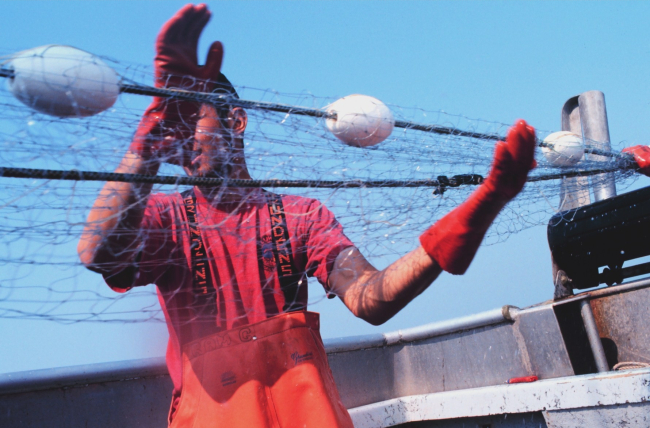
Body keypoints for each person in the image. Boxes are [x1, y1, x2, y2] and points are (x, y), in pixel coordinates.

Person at [77, 4, 537, 428]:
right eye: (168, 125)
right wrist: (145, 146)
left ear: (236, 120)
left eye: (190, 118)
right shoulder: (164, 219)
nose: (180, 138)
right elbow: (97, 251)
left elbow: (370, 298)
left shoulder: (300, 217)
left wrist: (480, 207)